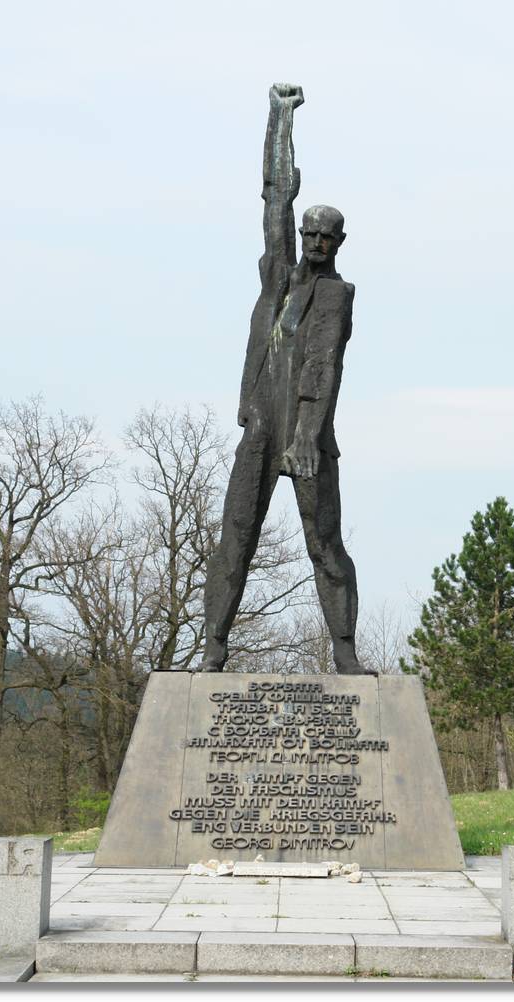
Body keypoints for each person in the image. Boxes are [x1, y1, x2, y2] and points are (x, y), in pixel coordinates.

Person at [199, 83, 372, 675]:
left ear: (340, 242)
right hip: (262, 431)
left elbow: (324, 366)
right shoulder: (277, 278)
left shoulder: (336, 295)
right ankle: (213, 646)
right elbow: (275, 197)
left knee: (324, 544)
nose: (319, 243)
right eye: (311, 234)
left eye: (329, 236)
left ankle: (344, 652)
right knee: (235, 542)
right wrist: (280, 117)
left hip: (308, 436)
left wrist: (305, 438)